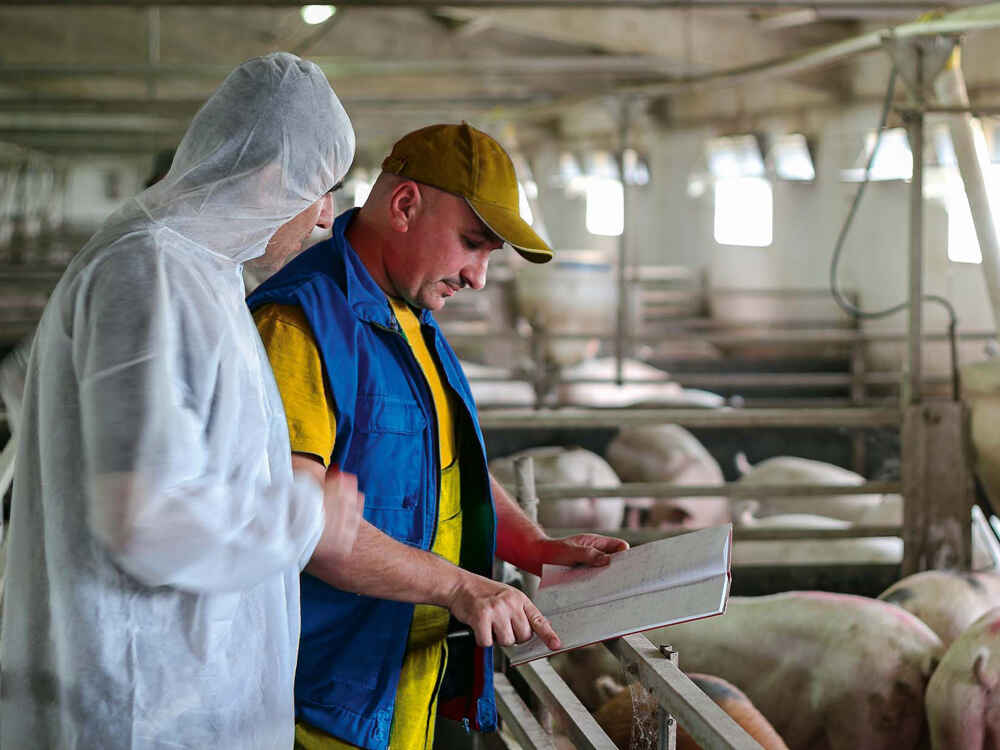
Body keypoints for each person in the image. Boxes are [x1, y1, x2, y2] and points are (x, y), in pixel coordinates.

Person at [0, 52, 364, 749]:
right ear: (267, 176)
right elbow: (143, 518)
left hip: (190, 688)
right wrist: (302, 514)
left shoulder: (204, 270)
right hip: (143, 701)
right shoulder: (148, 270)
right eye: (322, 189)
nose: (326, 217)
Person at [248, 122, 630, 750]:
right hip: (322, 698)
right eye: (472, 244)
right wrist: (460, 585)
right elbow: (297, 523)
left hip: (411, 683)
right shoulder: (299, 323)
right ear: (404, 206)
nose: (478, 276)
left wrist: (532, 546)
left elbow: (447, 467)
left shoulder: (413, 318)